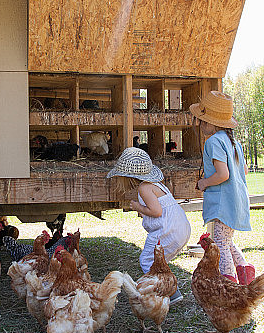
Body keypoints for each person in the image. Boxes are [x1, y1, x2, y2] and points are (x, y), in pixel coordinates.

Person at [107, 147, 191, 303]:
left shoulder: (144, 188)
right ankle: (173, 291)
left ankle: (162, 293)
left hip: (167, 230)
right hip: (180, 228)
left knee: (147, 261)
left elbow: (157, 211)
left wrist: (139, 207)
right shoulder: (155, 184)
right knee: (159, 262)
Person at [189, 90, 254, 285]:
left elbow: (223, 174)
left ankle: (229, 283)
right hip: (237, 200)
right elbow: (244, 170)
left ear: (210, 122)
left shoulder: (213, 142)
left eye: (202, 120)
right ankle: (244, 272)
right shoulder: (233, 142)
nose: (200, 124)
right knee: (226, 241)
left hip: (223, 202)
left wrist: (204, 183)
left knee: (219, 244)